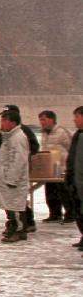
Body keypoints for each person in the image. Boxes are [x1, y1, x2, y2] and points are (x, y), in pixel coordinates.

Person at [0, 104, 40, 232]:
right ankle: (13, 223)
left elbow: (25, 153)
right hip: (5, 170)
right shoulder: (5, 133)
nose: (2, 122)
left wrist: (13, 172)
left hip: (15, 173)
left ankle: (24, 224)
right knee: (8, 201)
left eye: (5, 119)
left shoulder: (21, 133)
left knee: (17, 201)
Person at [0, 110, 31, 243]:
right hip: (7, 179)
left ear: (12, 122)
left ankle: (20, 230)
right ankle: (13, 227)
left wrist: (12, 178)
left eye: (4, 120)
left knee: (16, 206)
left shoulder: (18, 138)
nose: (1, 123)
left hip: (14, 181)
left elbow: (19, 160)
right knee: (10, 206)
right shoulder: (8, 137)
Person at [38, 110, 74, 223]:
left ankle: (70, 214)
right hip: (49, 168)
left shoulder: (62, 132)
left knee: (64, 192)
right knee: (50, 192)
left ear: (51, 119)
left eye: (44, 119)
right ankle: (54, 213)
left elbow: (71, 147)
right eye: (40, 120)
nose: (41, 122)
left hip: (62, 168)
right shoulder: (43, 133)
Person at [65, 106, 83, 249]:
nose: (74, 120)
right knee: (78, 210)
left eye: (76, 117)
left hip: (80, 180)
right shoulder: (78, 134)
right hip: (75, 179)